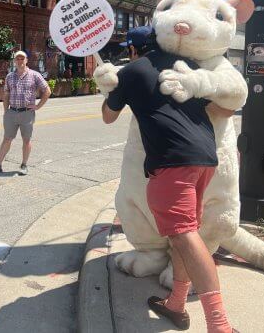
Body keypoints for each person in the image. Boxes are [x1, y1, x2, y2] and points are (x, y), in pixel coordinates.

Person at [97, 39, 238, 333]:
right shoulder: (185, 67)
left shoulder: (131, 71)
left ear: (134, 50)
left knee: (184, 236)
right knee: (183, 236)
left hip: (171, 163)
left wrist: (109, 89)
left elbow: (108, 117)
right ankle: (175, 303)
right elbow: (224, 110)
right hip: (205, 161)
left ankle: (219, 325)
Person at [0, 50, 51, 176]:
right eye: (17, 59)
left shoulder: (35, 75)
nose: (20, 61)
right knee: (7, 139)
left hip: (27, 113)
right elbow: (6, 94)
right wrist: (6, 112)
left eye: (22, 58)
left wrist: (38, 106)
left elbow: (47, 90)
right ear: (14, 61)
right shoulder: (10, 76)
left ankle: (24, 165)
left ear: (26, 60)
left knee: (26, 140)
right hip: (12, 112)